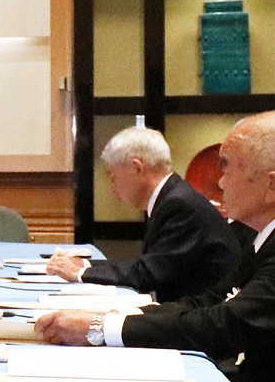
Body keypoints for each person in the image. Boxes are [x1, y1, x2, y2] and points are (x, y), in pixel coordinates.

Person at [34, 111, 275, 382]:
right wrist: (114, 319)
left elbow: (224, 324)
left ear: (272, 185)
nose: (219, 182)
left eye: (225, 167)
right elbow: (209, 302)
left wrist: (100, 326)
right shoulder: (260, 234)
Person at [47, 126, 241, 301]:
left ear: (136, 167)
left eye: (113, 176)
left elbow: (150, 273)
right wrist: (88, 266)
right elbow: (152, 264)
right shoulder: (173, 196)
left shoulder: (179, 205)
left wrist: (81, 273)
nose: (112, 188)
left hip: (202, 321)